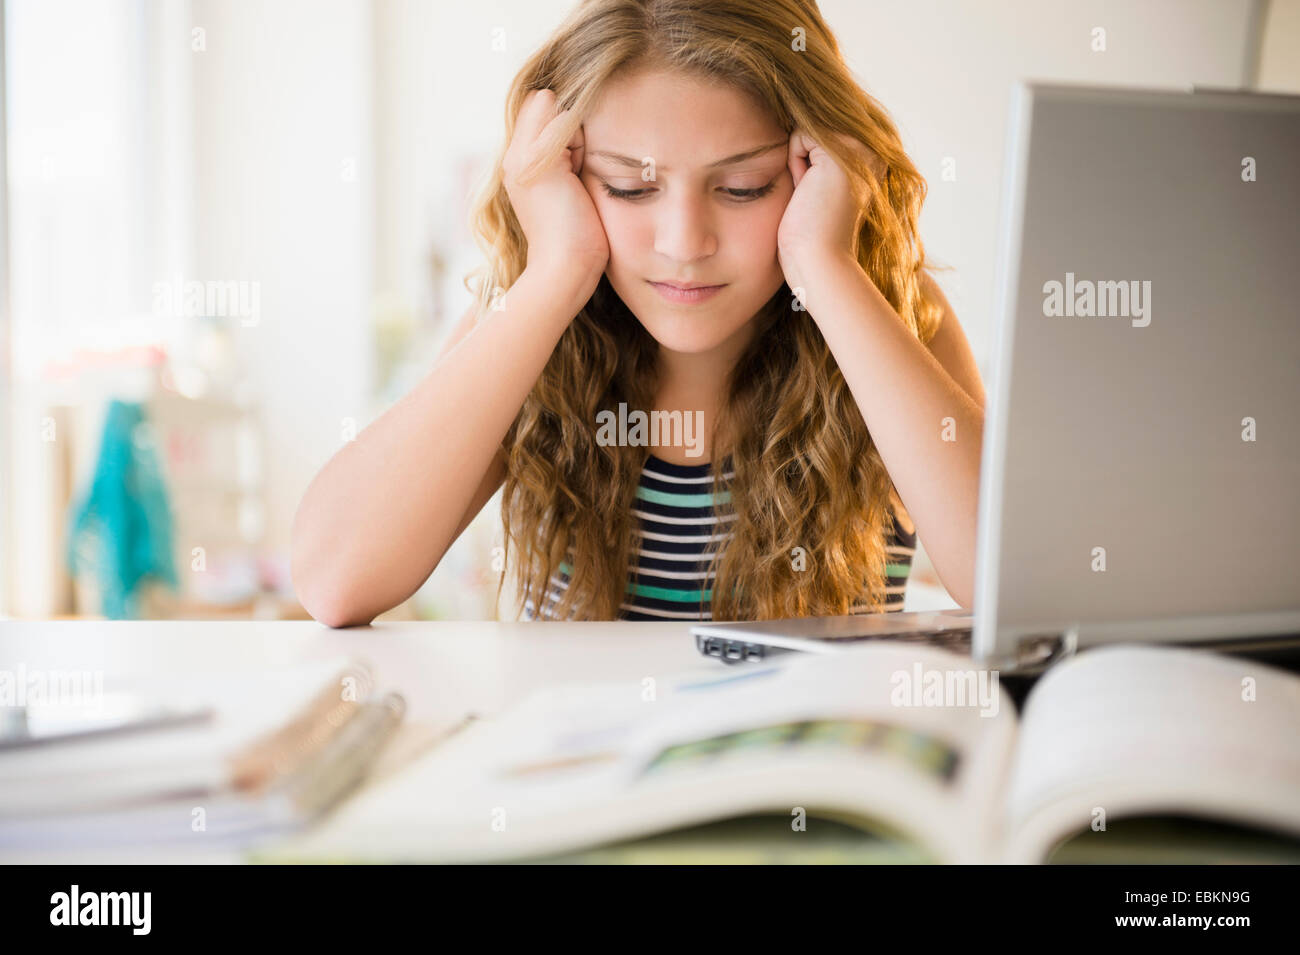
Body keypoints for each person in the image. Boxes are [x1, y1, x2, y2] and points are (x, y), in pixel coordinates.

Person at [291, 0, 986, 627]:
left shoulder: (891, 310)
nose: (685, 244)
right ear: (566, 175)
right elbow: (334, 579)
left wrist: (825, 269)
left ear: (819, 167)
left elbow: (1004, 583)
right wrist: (558, 270)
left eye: (744, 187)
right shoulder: (529, 320)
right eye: (629, 188)